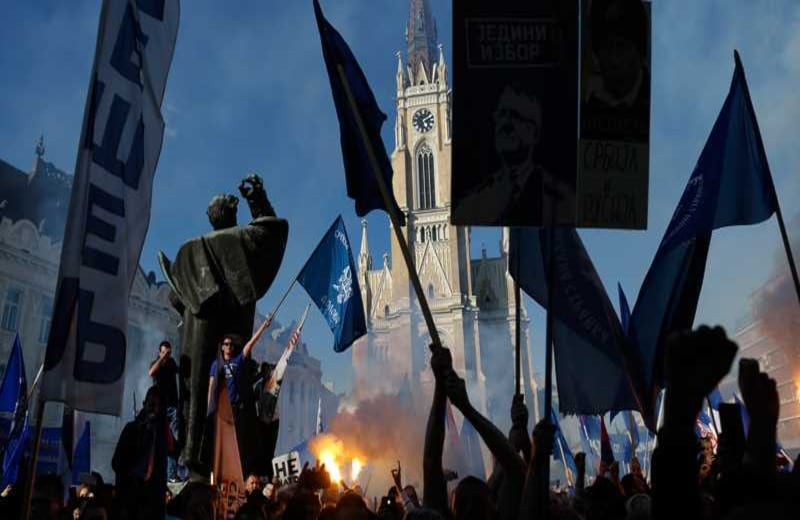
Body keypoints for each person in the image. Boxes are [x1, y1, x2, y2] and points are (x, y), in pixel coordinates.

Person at [161, 174, 288, 473]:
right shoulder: (239, 241)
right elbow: (269, 234)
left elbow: (175, 298)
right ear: (232, 215)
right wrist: (257, 199)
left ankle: (193, 459)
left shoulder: (188, 250)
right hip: (233, 365)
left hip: (197, 350)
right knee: (232, 405)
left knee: (197, 409)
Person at [452, 84, 572, 227]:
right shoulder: (472, 204)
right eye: (502, 114)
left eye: (516, 116)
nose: (506, 123)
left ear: (534, 133)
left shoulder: (560, 199)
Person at [207, 316, 272, 478]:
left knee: (237, 442)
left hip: (236, 409)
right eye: (226, 344)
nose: (229, 347)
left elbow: (250, 344)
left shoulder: (238, 361)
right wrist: (210, 409)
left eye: (231, 344)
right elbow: (211, 387)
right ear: (222, 347)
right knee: (220, 442)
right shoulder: (217, 364)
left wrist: (263, 327)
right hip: (221, 409)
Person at [112, 386, 169, 520]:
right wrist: (130, 477)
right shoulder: (131, 430)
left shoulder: (161, 436)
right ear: (145, 404)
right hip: (131, 498)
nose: (153, 409)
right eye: (150, 404)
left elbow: (161, 470)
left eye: (157, 406)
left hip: (151, 503)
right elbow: (116, 462)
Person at [149, 340, 183, 482]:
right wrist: (162, 359)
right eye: (163, 353)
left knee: (174, 441)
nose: (166, 355)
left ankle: (171, 474)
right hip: (160, 407)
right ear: (159, 352)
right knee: (159, 440)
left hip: (172, 407)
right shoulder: (155, 363)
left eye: (168, 353)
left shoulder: (172, 363)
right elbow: (151, 372)